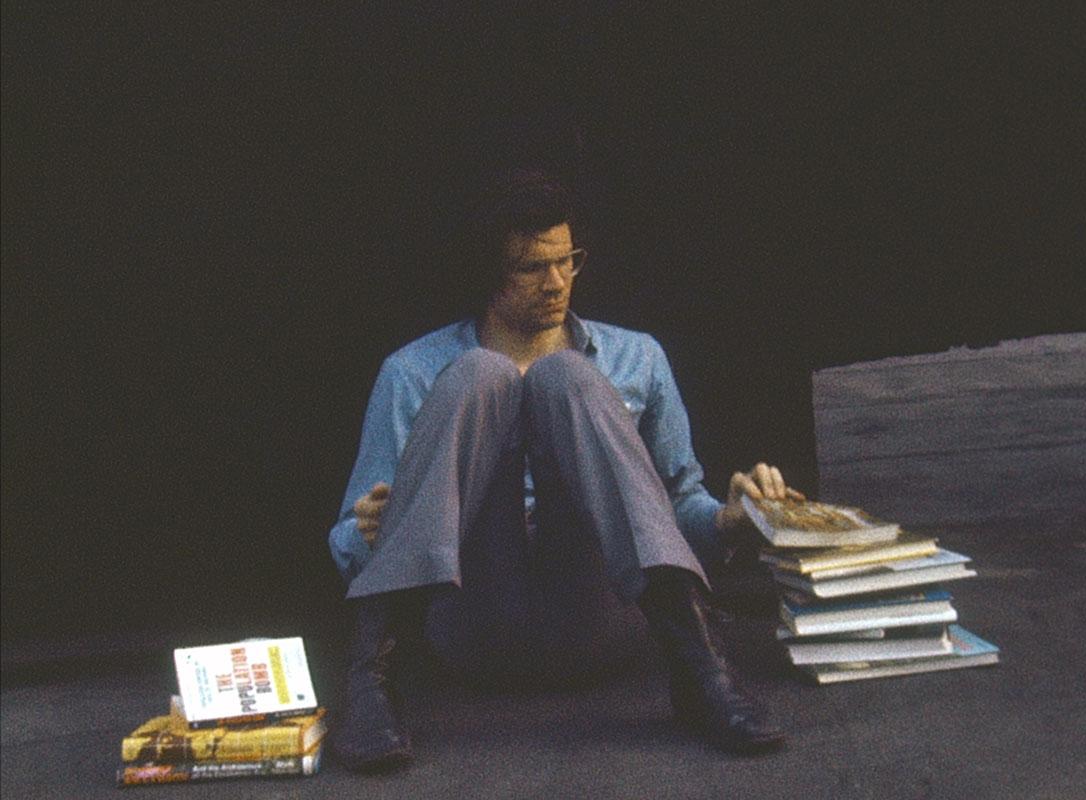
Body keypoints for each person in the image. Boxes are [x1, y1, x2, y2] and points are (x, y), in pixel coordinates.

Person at [327, 168, 803, 771]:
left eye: (568, 260)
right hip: (476, 623)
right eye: (531, 267)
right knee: (480, 374)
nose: (557, 282)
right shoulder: (412, 372)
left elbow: (680, 506)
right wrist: (371, 526)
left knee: (569, 377)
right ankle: (371, 684)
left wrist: (732, 520)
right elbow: (345, 545)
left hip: (597, 616)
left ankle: (702, 669)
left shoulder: (637, 357)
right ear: (488, 271)